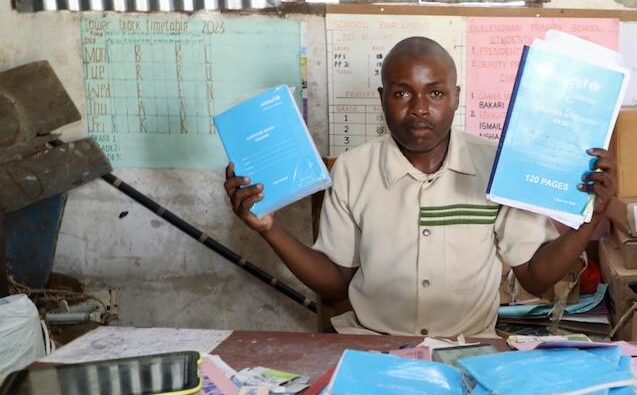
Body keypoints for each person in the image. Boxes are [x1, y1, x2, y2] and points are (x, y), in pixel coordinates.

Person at [224, 36, 617, 337]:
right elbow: (334, 283)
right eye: (401, 93)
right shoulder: (352, 170)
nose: (419, 108)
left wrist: (590, 218)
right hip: (374, 345)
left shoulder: (496, 166)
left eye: (435, 92)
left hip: (467, 348)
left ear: (456, 97)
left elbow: (534, 275)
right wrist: (270, 230)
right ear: (382, 99)